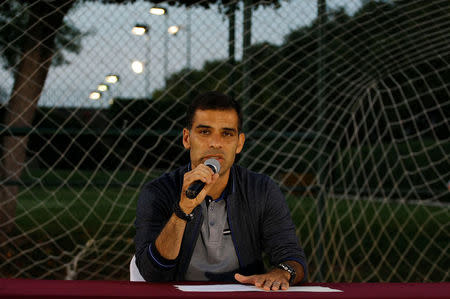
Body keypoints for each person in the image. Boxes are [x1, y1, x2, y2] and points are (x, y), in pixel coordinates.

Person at [134, 91, 307, 291]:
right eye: (205, 132)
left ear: (239, 143)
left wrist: (282, 272)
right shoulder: (157, 192)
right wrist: (183, 210)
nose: (216, 143)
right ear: (187, 138)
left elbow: (293, 258)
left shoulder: (262, 189)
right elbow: (151, 273)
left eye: (226, 133)